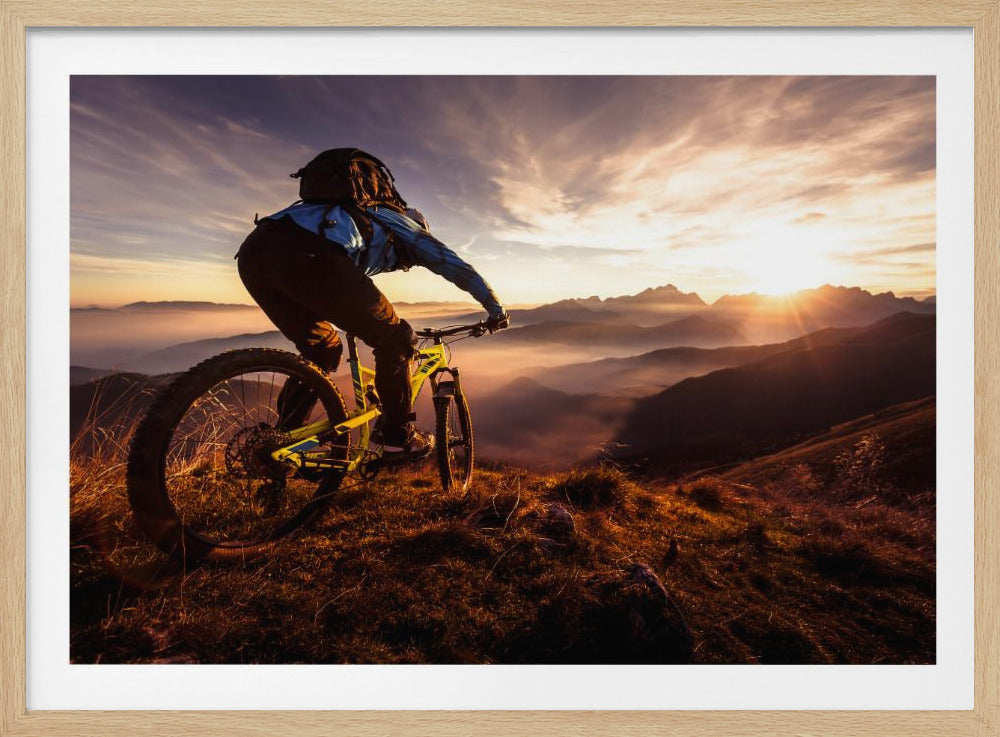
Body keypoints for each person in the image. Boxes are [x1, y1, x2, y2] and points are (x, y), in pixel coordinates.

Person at [235, 150, 509, 458]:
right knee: (397, 338)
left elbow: (337, 285)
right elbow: (454, 266)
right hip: (311, 254)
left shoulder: (345, 215)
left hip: (253, 254)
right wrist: (495, 309)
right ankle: (396, 437)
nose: (407, 266)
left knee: (323, 350)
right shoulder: (406, 226)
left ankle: (281, 441)